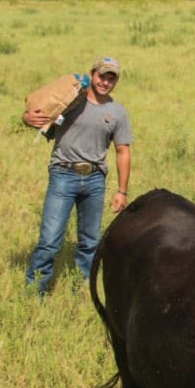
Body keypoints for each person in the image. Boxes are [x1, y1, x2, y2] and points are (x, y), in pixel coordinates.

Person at [24, 56, 132, 295]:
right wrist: (27, 118)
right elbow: (37, 114)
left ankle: (83, 290)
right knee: (50, 241)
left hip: (94, 180)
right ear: (92, 74)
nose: (105, 81)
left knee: (90, 243)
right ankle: (35, 292)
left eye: (111, 77)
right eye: (102, 75)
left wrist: (122, 191)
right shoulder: (71, 102)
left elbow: (123, 151)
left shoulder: (118, 112)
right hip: (63, 175)